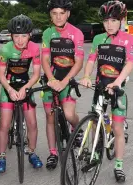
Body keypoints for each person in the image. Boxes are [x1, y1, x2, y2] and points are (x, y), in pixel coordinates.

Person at [79, 0, 133, 183]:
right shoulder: (98, 39)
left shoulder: (128, 39)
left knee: (117, 129)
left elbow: (129, 63)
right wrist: (86, 75)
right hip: (100, 87)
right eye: (105, 21)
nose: (109, 25)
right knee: (96, 122)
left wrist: (118, 82)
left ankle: (118, 165)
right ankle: (95, 152)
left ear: (121, 20)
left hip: (117, 89)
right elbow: (91, 60)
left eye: (113, 20)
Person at [0, 15, 43, 173]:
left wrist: (26, 88)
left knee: (33, 123)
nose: (20, 40)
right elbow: (1, 74)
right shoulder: (6, 49)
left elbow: (36, 74)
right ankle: (1, 156)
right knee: (4, 124)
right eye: (16, 36)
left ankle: (32, 152)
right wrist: (9, 89)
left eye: (24, 36)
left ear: (30, 35)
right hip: (8, 86)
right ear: (11, 36)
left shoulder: (35, 48)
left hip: (25, 85)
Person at [42, 0, 84, 170]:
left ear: (68, 14)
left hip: (67, 79)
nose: (58, 17)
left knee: (68, 114)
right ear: (50, 15)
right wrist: (52, 79)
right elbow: (45, 58)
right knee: (50, 118)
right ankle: (53, 153)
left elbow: (79, 61)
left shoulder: (77, 33)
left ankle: (76, 127)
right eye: (54, 13)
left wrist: (65, 81)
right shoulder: (47, 33)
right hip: (51, 79)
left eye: (61, 13)